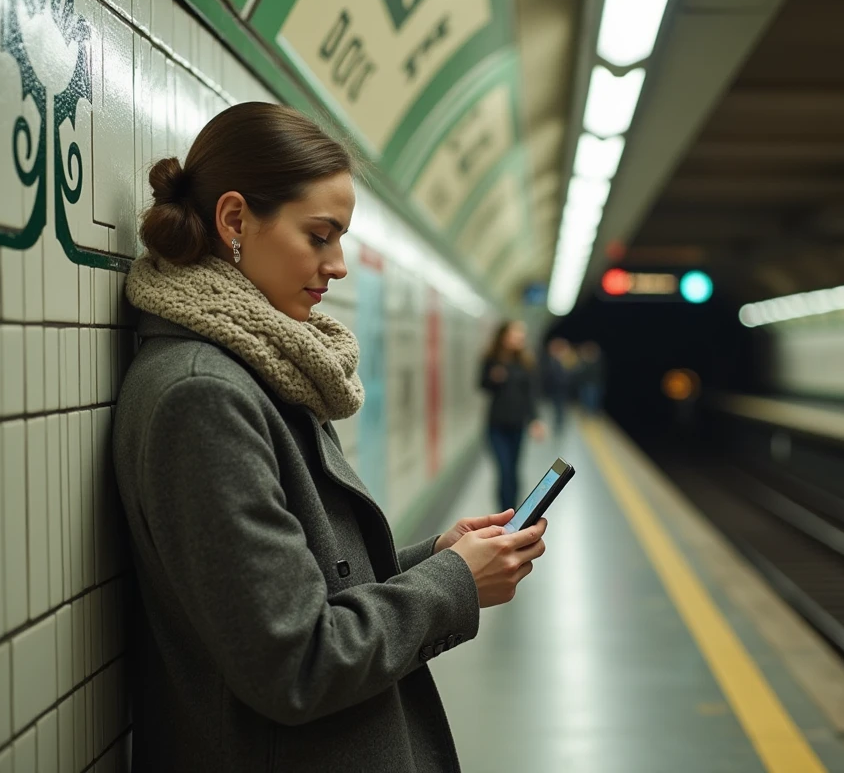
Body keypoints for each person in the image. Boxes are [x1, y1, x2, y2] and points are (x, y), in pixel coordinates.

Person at [112, 102, 548, 772]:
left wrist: (439, 556)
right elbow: (297, 660)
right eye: (320, 236)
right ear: (234, 220)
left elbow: (308, 593)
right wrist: (455, 583)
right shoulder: (203, 397)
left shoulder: (259, 368)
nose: (338, 265)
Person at [480, 321, 546, 512]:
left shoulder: (526, 363)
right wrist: (493, 378)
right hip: (496, 426)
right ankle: (503, 513)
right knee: (504, 471)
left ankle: (512, 512)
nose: (520, 338)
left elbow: (531, 394)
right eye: (515, 334)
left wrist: (535, 420)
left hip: (517, 425)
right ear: (504, 336)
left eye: (521, 335)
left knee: (514, 471)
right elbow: (482, 385)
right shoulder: (491, 360)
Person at [576, 341, 607, 414]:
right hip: (586, 384)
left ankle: (591, 415)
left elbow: (594, 372)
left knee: (592, 401)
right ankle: (588, 414)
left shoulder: (597, 361)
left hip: (594, 385)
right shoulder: (586, 361)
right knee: (585, 401)